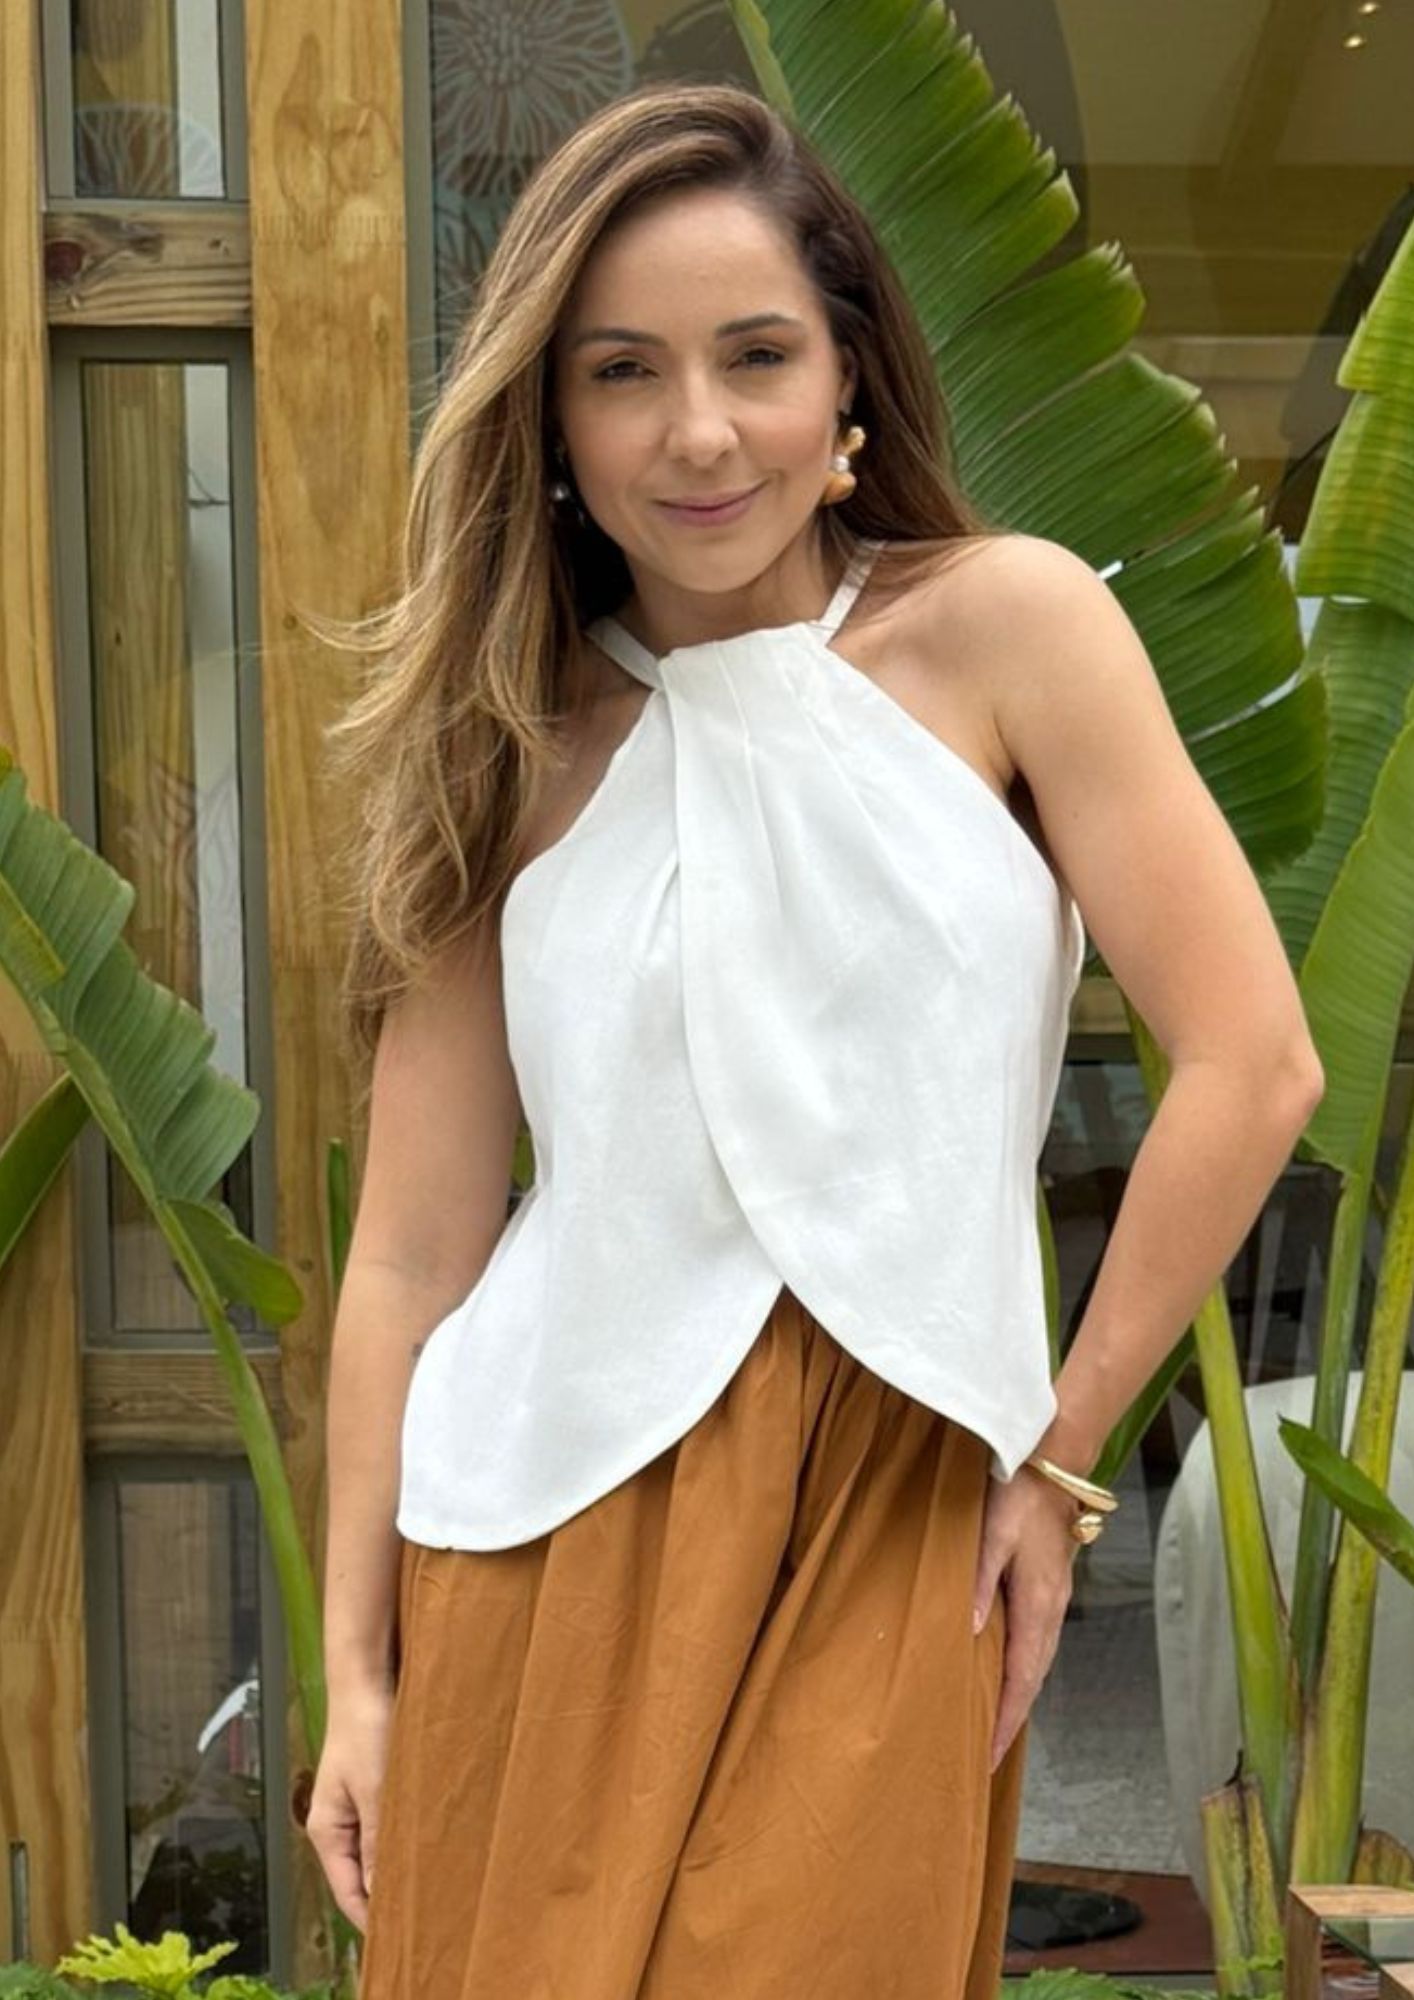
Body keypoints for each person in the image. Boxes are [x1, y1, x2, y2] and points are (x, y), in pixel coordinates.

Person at [306, 79, 1324, 1999]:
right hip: (539, 1528)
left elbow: (1252, 1061)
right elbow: (411, 1259)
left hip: (892, 1502)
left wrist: (1061, 1465)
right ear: (551, 422)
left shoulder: (1008, 630)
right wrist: (356, 1677)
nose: (697, 431)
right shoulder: (506, 741)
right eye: (621, 371)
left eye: (755, 356)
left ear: (847, 378)